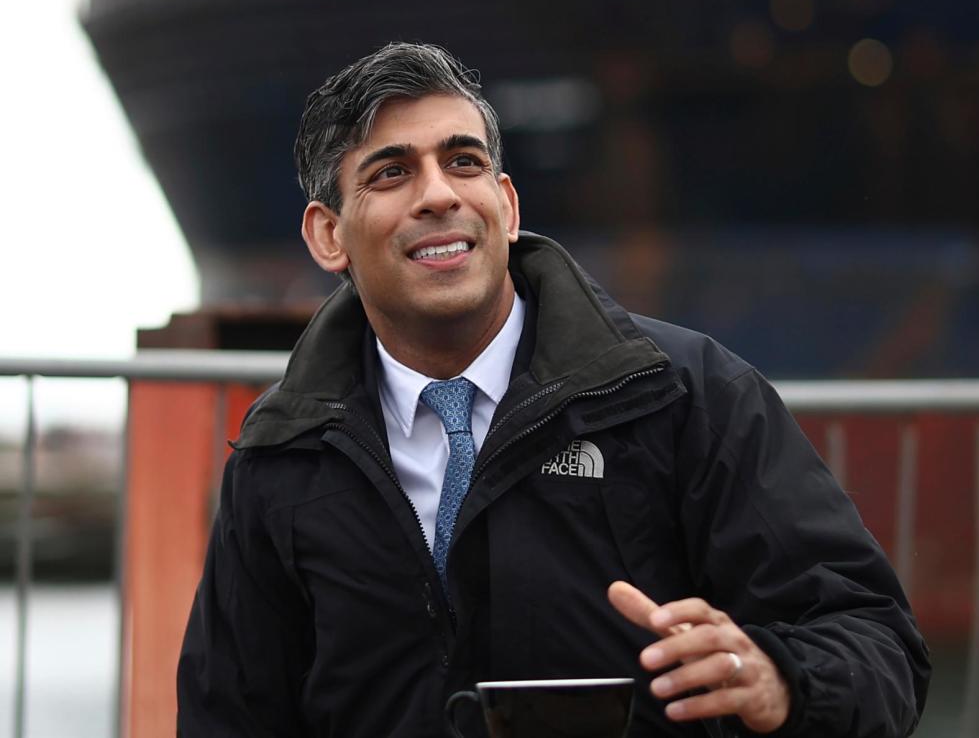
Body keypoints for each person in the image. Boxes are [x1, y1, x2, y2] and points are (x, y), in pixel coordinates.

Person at [177, 42, 930, 737]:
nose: (439, 194)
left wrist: (780, 680)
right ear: (327, 236)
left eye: (463, 162)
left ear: (506, 206)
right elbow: (228, 716)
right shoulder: (279, 460)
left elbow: (876, 643)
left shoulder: (686, 394)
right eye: (391, 172)